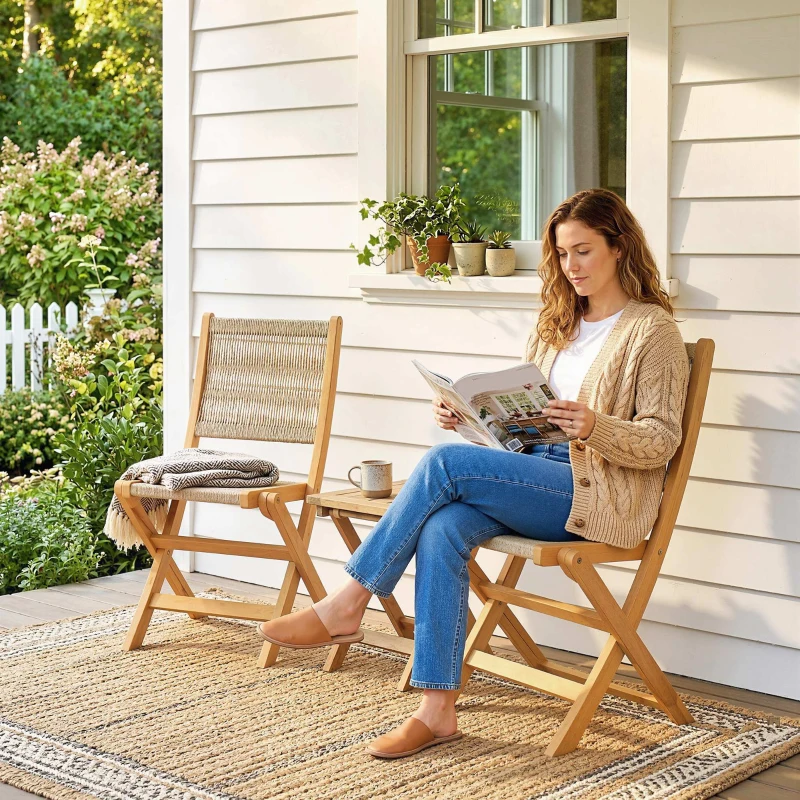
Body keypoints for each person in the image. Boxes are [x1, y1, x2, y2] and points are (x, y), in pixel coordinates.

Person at [257, 188, 690, 759]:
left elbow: (661, 441)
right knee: (444, 526)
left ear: (619, 247)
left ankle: (347, 604)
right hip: (533, 472)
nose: (571, 267)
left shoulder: (651, 330)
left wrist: (593, 426)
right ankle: (436, 711)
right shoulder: (557, 324)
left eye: (583, 251)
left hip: (595, 492)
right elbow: (519, 429)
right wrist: (468, 421)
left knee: (440, 465)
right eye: (561, 255)